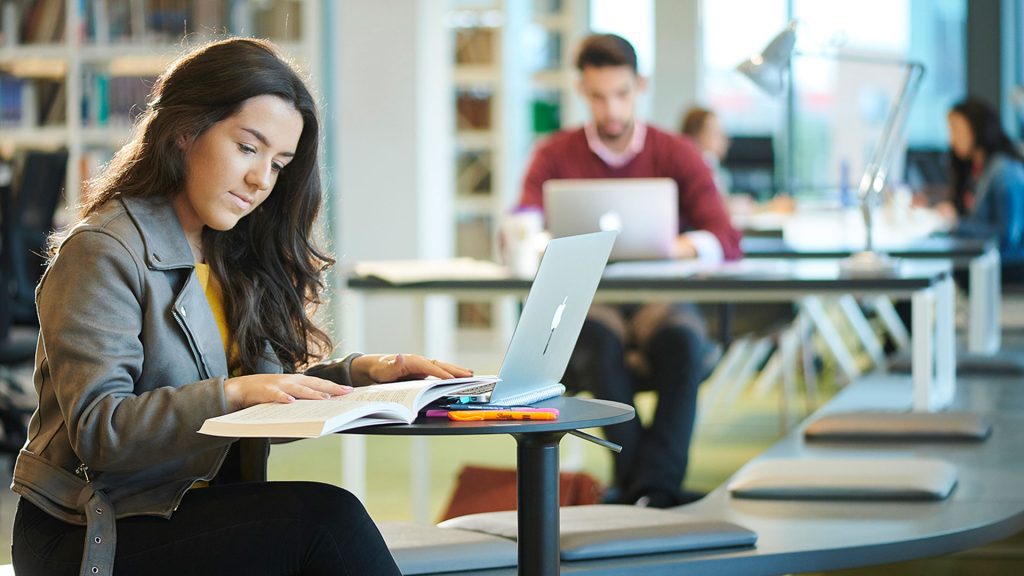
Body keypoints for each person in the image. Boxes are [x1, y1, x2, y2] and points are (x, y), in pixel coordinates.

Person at [10, 37, 473, 576]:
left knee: (321, 522)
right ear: (185, 130)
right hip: (91, 529)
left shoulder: (230, 249)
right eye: (247, 148)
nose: (261, 181)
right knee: (324, 521)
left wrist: (368, 375)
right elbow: (100, 430)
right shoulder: (103, 250)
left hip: (185, 511)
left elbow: (263, 394)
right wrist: (233, 394)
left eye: (279, 164)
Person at [519, 34, 742, 508]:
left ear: (639, 85)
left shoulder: (675, 151)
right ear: (583, 90)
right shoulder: (555, 152)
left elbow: (724, 236)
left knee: (682, 341)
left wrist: (675, 246)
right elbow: (521, 222)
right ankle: (653, 489)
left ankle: (645, 488)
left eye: (621, 94)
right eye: (599, 97)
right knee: (598, 342)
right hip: (593, 301)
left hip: (658, 299)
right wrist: (540, 240)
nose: (612, 110)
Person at [939, 96, 1024, 282]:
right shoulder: (977, 168)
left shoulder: (1004, 172)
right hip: (984, 263)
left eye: (956, 130)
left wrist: (957, 224)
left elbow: (1007, 237)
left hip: (1006, 266)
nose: (952, 139)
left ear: (976, 128)